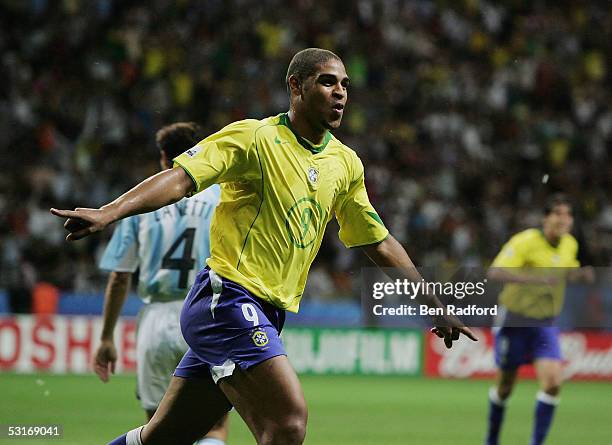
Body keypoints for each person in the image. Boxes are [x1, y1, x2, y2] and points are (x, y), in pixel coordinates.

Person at [51, 48, 476, 445]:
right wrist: (110, 211)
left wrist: (432, 302)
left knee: (162, 436)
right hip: (227, 299)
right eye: (328, 82)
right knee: (288, 422)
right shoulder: (254, 138)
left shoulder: (345, 164)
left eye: (345, 84)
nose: (340, 93)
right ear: (296, 87)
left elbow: (378, 242)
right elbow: (181, 179)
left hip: (266, 311)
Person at [94, 122, 229, 445]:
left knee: (157, 429)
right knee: (214, 425)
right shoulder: (221, 198)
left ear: (164, 158)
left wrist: (106, 337)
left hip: (155, 321)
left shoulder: (142, 203)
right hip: (205, 313)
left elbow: (119, 276)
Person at [485, 194, 594, 445]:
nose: (563, 219)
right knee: (505, 388)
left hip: (545, 323)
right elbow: (495, 272)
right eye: (558, 213)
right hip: (514, 319)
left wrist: (580, 275)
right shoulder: (525, 241)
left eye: (568, 214)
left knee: (554, 383)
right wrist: (535, 279)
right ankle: (491, 440)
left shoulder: (570, 245)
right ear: (545, 218)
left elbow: (564, 271)